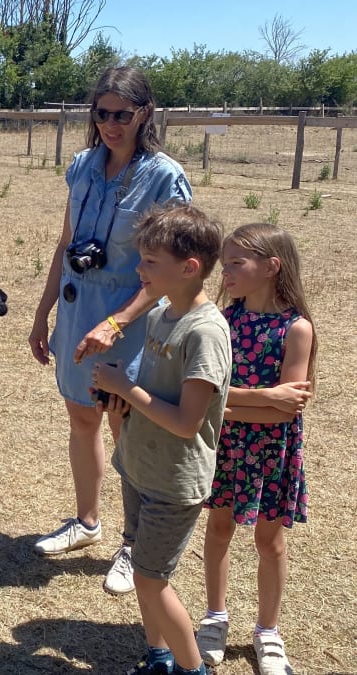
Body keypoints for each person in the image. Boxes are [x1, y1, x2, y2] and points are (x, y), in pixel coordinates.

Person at [28, 66, 192, 595]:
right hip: (79, 314)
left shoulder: (165, 177)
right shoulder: (81, 166)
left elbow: (173, 268)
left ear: (146, 113)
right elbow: (65, 243)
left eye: (123, 114)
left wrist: (118, 320)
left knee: (128, 426)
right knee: (82, 417)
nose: (111, 124)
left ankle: (133, 542)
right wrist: (43, 312)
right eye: (102, 113)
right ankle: (86, 521)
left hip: (129, 320)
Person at [93, 203, 230, 675]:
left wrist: (124, 388)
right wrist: (120, 402)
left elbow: (188, 422)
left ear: (189, 268)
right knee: (145, 569)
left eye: (150, 261)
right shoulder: (160, 315)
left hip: (174, 480)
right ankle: (159, 658)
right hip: (139, 465)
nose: (139, 268)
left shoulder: (206, 332)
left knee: (151, 581)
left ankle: (194, 671)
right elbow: (155, 395)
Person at [195, 223, 316, 675]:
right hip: (225, 448)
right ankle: (215, 617)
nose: (224, 271)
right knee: (219, 528)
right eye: (224, 263)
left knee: (270, 539)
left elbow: (285, 413)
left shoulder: (297, 329)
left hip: (271, 452)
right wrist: (263, 396)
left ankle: (267, 630)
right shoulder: (224, 321)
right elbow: (207, 394)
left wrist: (226, 403)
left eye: (235, 263)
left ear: (271, 267)